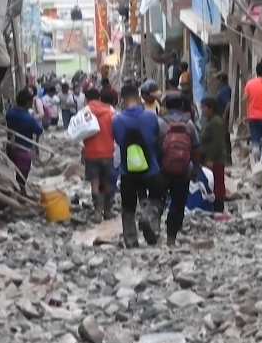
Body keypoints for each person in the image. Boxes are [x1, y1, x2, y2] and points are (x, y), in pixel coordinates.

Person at [111, 84, 163, 248]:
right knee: (156, 199)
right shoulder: (151, 117)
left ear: (122, 99)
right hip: (151, 168)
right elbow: (157, 138)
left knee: (128, 206)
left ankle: (131, 240)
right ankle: (148, 217)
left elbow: (118, 141)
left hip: (127, 170)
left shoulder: (116, 120)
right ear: (139, 97)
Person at [157, 94, 199, 245]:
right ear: (182, 106)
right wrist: (195, 168)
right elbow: (195, 147)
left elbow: (154, 145)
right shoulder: (189, 124)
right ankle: (171, 237)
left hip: (162, 170)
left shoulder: (160, 122)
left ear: (165, 106)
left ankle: (154, 230)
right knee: (178, 203)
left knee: (157, 200)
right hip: (184, 171)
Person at [80, 88, 116, 221]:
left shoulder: (84, 112)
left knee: (95, 184)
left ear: (87, 98)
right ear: (99, 97)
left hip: (91, 153)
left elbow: (80, 134)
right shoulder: (110, 111)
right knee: (108, 182)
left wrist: (82, 153)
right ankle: (107, 211)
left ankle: (97, 213)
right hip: (108, 152)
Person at [5, 89, 43, 193]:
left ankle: (16, 190)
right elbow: (39, 130)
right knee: (22, 176)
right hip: (23, 150)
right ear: (27, 102)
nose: (32, 104)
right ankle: (21, 193)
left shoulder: (10, 112)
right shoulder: (28, 118)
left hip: (10, 147)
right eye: (31, 102)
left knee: (15, 172)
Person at [198, 97, 230, 214]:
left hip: (215, 159)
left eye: (204, 107)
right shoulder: (209, 120)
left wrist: (210, 158)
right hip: (208, 158)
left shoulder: (216, 122)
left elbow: (218, 143)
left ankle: (218, 207)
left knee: (217, 183)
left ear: (210, 108)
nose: (202, 110)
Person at [243, 62, 262, 163]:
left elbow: (244, 99)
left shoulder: (250, 84)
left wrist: (245, 115)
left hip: (253, 117)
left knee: (255, 139)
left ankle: (256, 158)